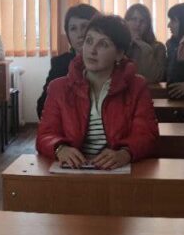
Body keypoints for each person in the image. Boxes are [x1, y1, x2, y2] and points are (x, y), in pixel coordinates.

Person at [36, 15, 159, 169]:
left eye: (103, 44)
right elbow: (45, 135)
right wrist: (59, 148)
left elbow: (147, 135)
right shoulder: (58, 88)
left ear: (119, 54)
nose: (92, 50)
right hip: (74, 170)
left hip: (116, 170)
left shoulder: (137, 86)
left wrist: (125, 153)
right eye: (89, 41)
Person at [36, 4, 99, 120]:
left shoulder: (108, 62)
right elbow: (42, 108)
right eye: (73, 29)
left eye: (85, 26)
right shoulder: (60, 64)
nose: (80, 34)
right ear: (68, 35)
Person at [124, 3, 167, 84]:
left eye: (142, 21)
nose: (138, 24)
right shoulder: (118, 46)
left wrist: (144, 47)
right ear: (126, 21)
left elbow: (155, 78)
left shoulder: (158, 47)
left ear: (148, 25)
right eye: (134, 19)